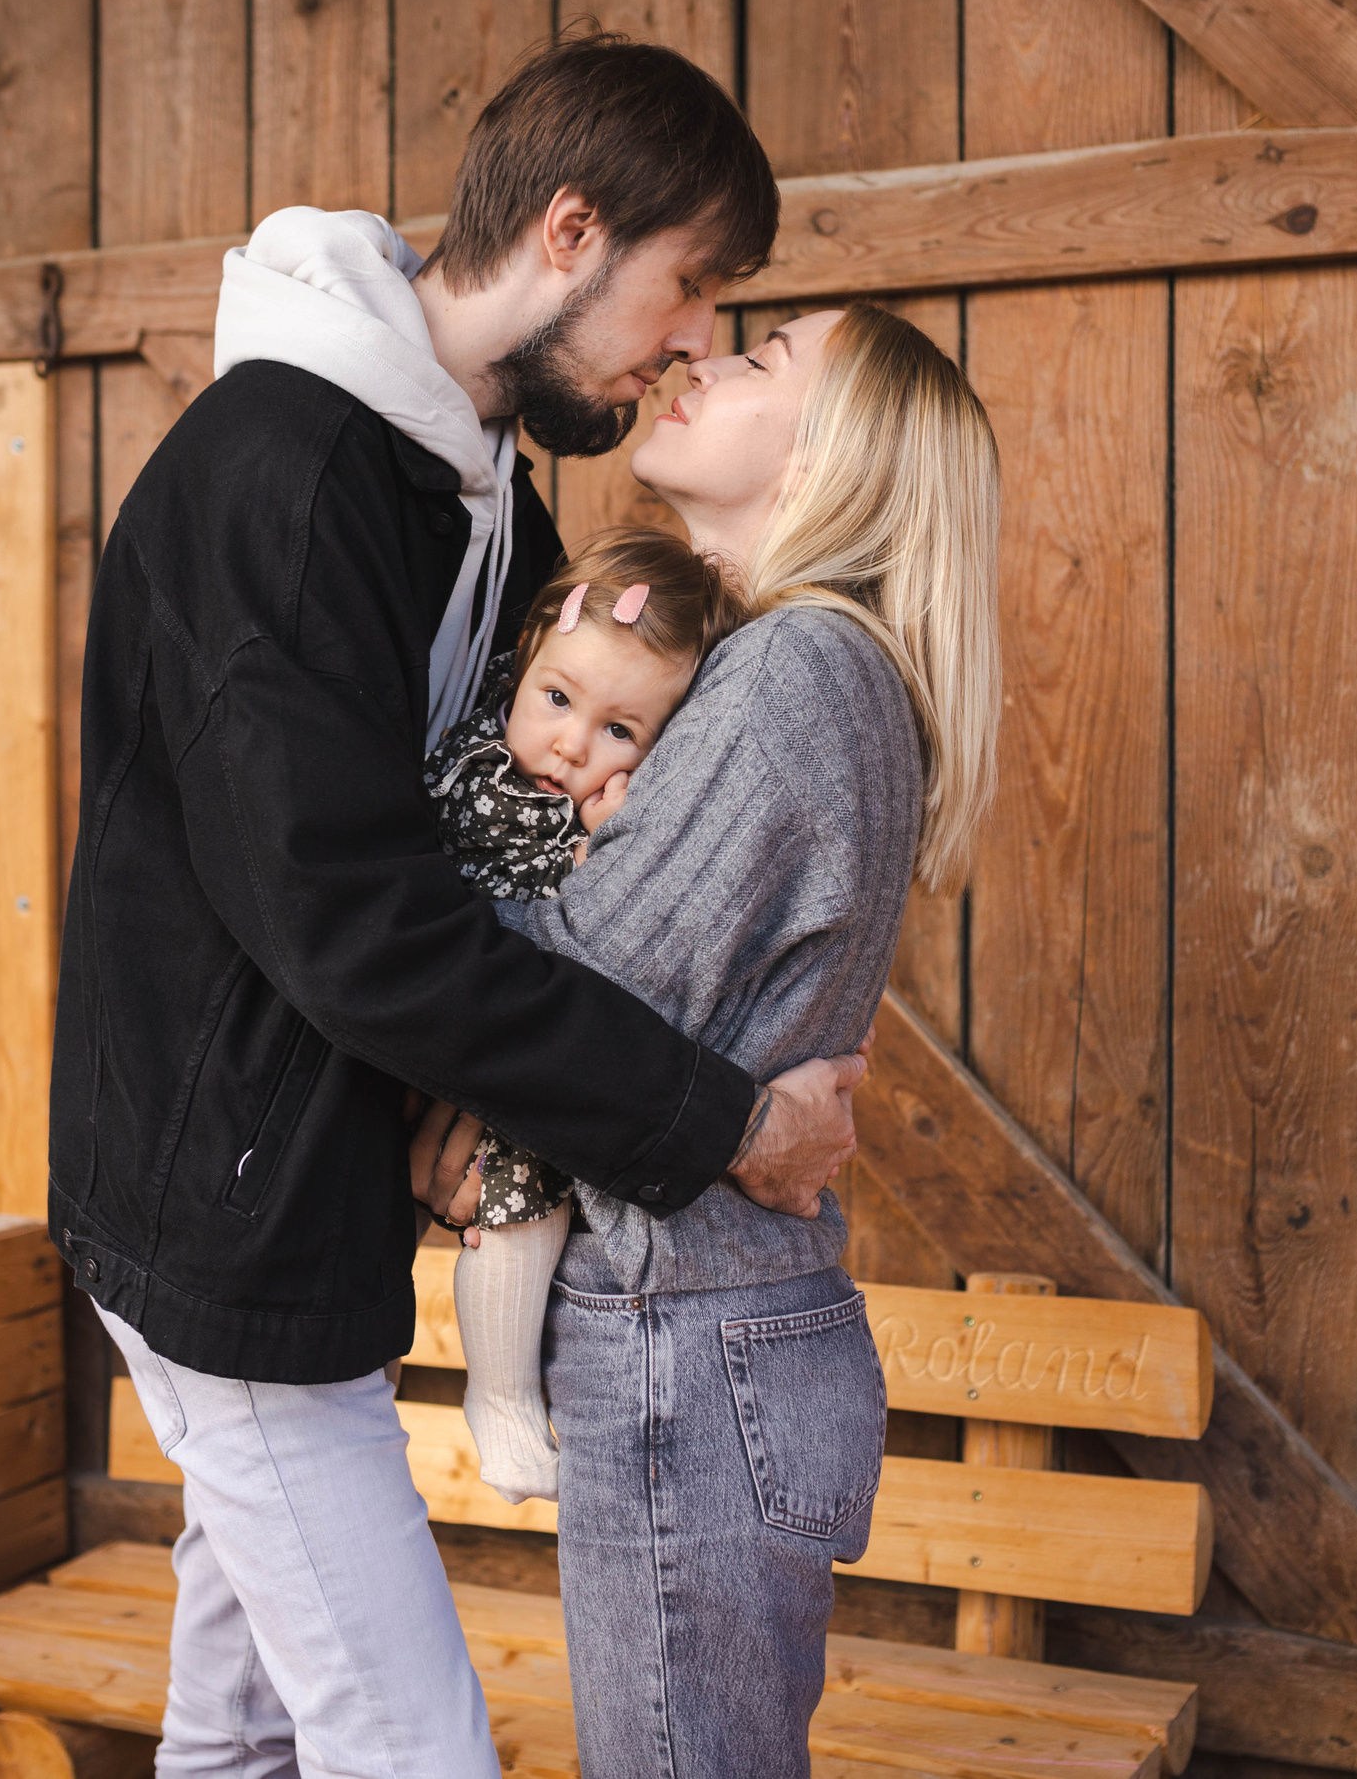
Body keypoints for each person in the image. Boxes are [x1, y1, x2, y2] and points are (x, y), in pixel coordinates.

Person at [53, 36, 870, 1779]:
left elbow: (439, 850)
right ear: (571, 232)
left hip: (295, 1203)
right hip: (225, 1227)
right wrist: (718, 1120)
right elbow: (352, 921)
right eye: (692, 285)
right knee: (411, 1742)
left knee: (244, 1720)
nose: (695, 340)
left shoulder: (465, 480)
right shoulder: (289, 479)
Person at [414, 304, 1003, 1778]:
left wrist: (381, 891)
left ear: (831, 456)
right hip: (715, 1325)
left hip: (688, 1330)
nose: (704, 360)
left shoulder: (795, 671)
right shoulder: (770, 670)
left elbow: (579, 980)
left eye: (762, 361)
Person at [421, 527, 749, 1501]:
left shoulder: (614, 815)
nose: (570, 743)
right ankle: (473, 1390)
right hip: (427, 1013)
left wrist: (612, 851)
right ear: (526, 656)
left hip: (511, 1053)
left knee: (527, 1191)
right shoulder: (462, 751)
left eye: (620, 731)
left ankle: (503, 1394)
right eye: (557, 698)